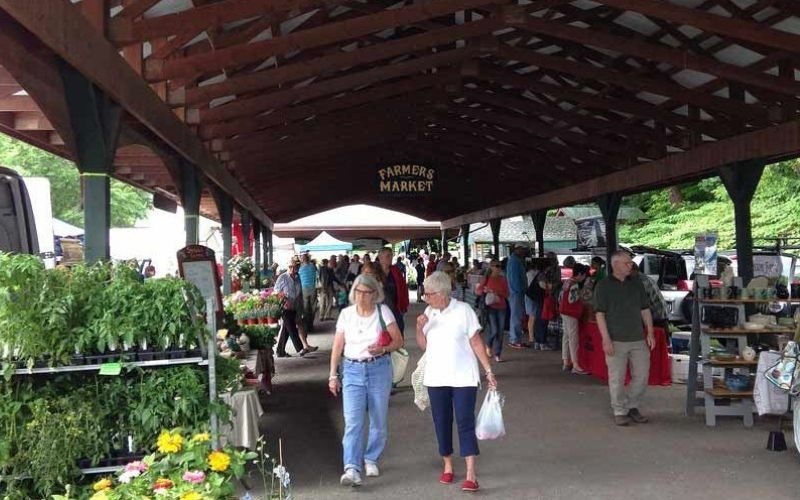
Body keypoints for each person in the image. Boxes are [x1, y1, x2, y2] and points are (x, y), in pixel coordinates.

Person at [416, 271, 497, 493]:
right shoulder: (428, 312)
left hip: (463, 377)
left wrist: (488, 370)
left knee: (464, 421)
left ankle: (471, 472)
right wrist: (418, 326)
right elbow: (424, 345)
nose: (426, 298)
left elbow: (476, 342)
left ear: (442, 294)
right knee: (441, 421)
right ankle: (448, 464)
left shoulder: (464, 311)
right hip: (436, 377)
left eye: (429, 294)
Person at [328, 275, 404, 487]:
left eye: (367, 292)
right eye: (359, 292)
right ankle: (352, 468)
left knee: (378, 419)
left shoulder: (383, 312)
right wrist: (333, 375)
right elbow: (337, 347)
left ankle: (371, 457)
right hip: (352, 370)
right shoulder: (346, 314)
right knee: (353, 422)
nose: (362, 296)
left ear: (375, 294)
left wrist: (383, 348)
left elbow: (398, 340)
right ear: (354, 293)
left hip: (379, 368)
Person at [593, 250, 655, 426]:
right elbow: (600, 314)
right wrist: (606, 339)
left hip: (637, 337)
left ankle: (632, 405)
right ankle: (619, 410)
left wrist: (650, 332)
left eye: (631, 263)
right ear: (616, 265)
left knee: (642, 376)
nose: (631, 266)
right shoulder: (603, 286)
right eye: (627, 263)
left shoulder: (636, 284)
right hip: (616, 339)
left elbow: (645, 309)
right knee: (617, 378)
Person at [275, 262, 318, 357]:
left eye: (296, 268)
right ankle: (300, 349)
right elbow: (276, 290)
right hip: (285, 307)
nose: (294, 270)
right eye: (292, 268)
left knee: (286, 330)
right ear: (289, 268)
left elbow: (300, 293)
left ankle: (280, 351)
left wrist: (301, 306)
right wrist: (284, 299)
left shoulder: (298, 277)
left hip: (295, 306)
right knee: (291, 327)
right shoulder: (283, 277)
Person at [476, 259, 509, 363]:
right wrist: (485, 290)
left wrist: (496, 292)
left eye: (499, 266)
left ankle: (497, 354)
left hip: (501, 307)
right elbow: (478, 290)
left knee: (500, 331)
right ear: (491, 267)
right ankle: (489, 344)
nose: (498, 268)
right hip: (490, 308)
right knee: (494, 330)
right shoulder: (486, 279)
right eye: (496, 266)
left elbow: (507, 294)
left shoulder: (503, 279)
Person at [560, 263, 589, 374]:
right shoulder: (575, 285)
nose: (584, 278)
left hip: (564, 312)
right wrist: (582, 295)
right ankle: (575, 364)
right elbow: (573, 300)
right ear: (580, 274)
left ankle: (566, 361)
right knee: (573, 339)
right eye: (584, 275)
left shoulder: (567, 281)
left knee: (566, 337)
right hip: (571, 313)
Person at [377, 247, 409, 336]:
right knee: (383, 336)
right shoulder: (375, 271)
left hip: (396, 309)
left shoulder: (395, 270)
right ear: (380, 257)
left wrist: (404, 305)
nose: (390, 258)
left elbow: (403, 288)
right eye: (387, 256)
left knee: (398, 333)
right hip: (379, 310)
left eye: (391, 256)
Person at [505, 245, 527, 349]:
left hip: (515, 292)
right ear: (517, 249)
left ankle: (516, 339)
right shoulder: (514, 261)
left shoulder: (515, 260)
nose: (524, 251)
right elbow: (514, 279)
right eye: (522, 249)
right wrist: (520, 290)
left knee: (516, 315)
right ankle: (514, 340)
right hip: (516, 292)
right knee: (516, 316)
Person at [298, 253, 318, 332]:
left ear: (303, 259)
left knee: (306, 307)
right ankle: (310, 325)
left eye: (302, 258)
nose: (302, 259)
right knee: (312, 307)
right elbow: (317, 275)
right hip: (312, 288)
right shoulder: (313, 266)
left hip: (304, 289)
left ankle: (308, 325)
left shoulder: (300, 268)